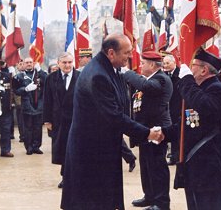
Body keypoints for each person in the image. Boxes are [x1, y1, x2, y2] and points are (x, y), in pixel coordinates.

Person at [61, 33, 164, 210]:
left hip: (101, 149)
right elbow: (115, 116)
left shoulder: (107, 69)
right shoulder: (98, 76)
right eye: (126, 53)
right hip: (92, 154)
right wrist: (147, 133)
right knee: (93, 202)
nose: (131, 56)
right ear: (111, 53)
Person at [162, 48, 221, 210]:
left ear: (204, 70)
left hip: (210, 168)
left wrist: (186, 80)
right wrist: (161, 133)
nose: (188, 68)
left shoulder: (218, 89)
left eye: (193, 65)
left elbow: (204, 107)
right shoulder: (199, 90)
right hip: (194, 166)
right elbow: (185, 125)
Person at [123, 51, 173, 210]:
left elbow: (146, 87)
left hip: (157, 130)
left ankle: (161, 202)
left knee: (157, 167)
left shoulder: (161, 79)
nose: (141, 66)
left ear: (152, 65)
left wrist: (127, 72)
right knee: (146, 165)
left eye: (143, 63)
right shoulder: (150, 79)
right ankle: (150, 196)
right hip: (146, 130)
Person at [43, 52, 80, 189]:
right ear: (58, 63)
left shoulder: (80, 77)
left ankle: (74, 177)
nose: (67, 65)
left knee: (75, 148)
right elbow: (47, 100)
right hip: (58, 120)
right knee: (63, 149)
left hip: (76, 120)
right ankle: (65, 177)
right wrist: (47, 120)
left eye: (70, 62)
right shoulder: (51, 78)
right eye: (64, 63)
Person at [13, 57, 47, 155]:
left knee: (38, 127)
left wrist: (40, 70)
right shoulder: (19, 76)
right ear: (23, 64)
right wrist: (25, 89)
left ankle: (36, 146)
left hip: (39, 105)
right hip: (27, 105)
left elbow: (47, 81)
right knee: (28, 128)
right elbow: (15, 90)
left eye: (30, 62)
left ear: (33, 63)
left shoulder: (39, 74)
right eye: (26, 62)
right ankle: (29, 147)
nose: (28, 64)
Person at [162, 53, 182, 166]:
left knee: (176, 134)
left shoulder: (180, 75)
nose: (165, 65)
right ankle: (169, 154)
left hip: (177, 109)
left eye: (168, 63)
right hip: (166, 109)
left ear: (174, 63)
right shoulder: (163, 75)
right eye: (164, 63)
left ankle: (175, 156)